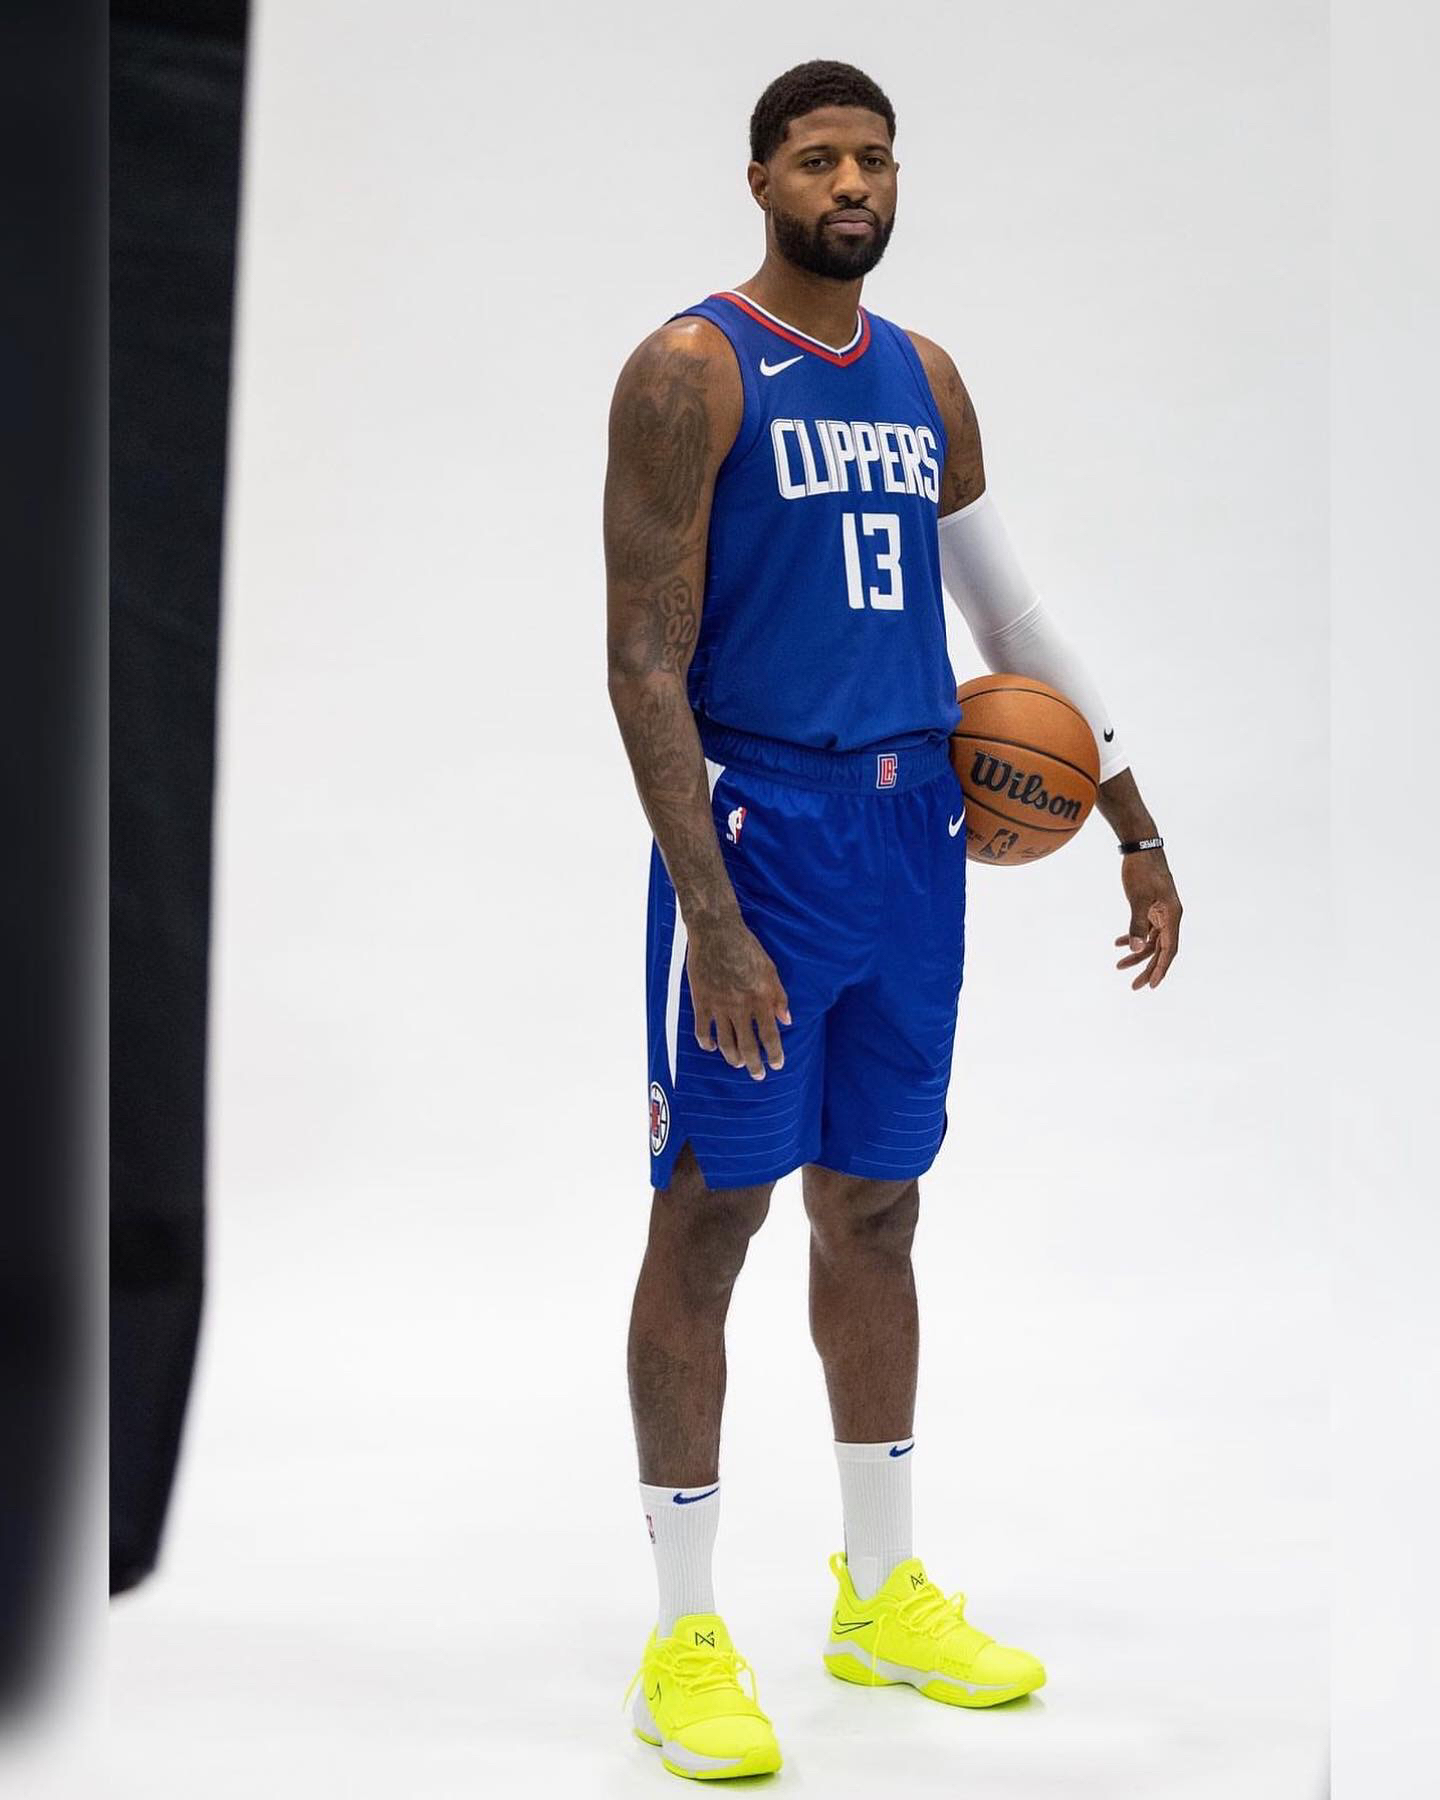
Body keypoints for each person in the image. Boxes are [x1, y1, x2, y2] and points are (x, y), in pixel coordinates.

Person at [604, 59, 1182, 1782]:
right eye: (818, 158)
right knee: (711, 1213)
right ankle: (682, 1636)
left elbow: (1010, 619)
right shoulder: (692, 369)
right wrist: (711, 913)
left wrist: (1133, 821)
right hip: (761, 834)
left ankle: (879, 1593)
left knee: (877, 1206)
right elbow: (641, 662)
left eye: (875, 159)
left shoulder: (927, 380)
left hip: (915, 833)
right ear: (762, 178)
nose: (852, 183)